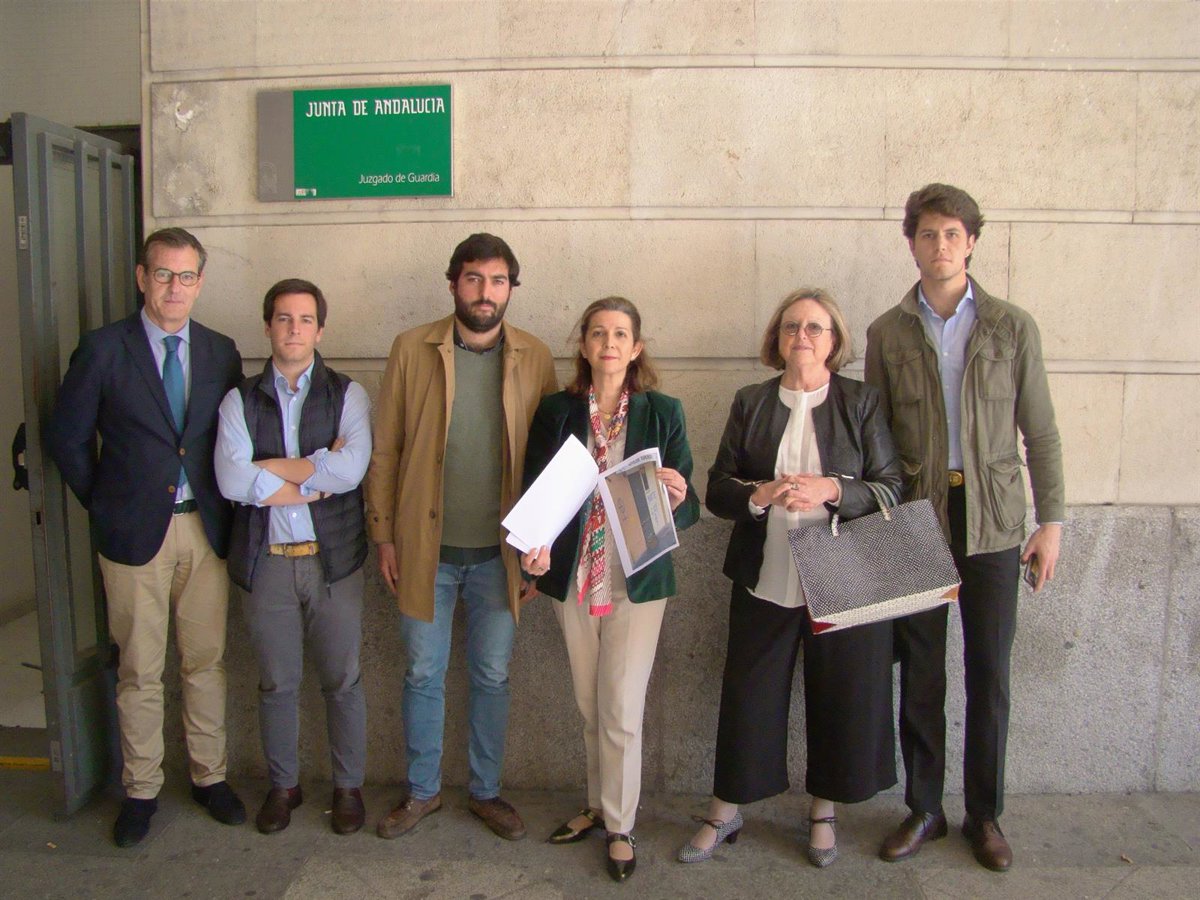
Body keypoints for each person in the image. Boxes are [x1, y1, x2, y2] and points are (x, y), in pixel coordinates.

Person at [865, 184, 1064, 872]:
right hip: (918, 520)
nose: (941, 245)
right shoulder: (887, 333)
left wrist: (1051, 523)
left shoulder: (1012, 327)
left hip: (995, 522)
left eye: (953, 233)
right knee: (921, 672)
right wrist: (879, 523)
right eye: (928, 233)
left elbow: (1041, 432)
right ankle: (925, 807)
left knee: (990, 673)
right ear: (912, 243)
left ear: (972, 241)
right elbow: (875, 438)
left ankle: (986, 815)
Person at [680, 288, 902, 868]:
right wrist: (760, 494)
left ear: (834, 340)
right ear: (776, 339)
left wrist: (833, 489)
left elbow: (891, 487)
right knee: (748, 696)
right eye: (790, 327)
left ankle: (823, 812)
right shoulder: (751, 401)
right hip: (765, 575)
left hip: (843, 577)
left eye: (814, 327)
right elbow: (718, 487)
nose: (801, 336)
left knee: (838, 695)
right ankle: (725, 810)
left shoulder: (860, 401)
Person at [49, 228, 246, 847]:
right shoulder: (104, 348)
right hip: (134, 534)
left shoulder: (220, 351)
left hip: (205, 530)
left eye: (186, 276)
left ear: (200, 283)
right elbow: (68, 438)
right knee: (139, 668)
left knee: (206, 662)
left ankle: (210, 777)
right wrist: (106, 503)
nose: (174, 288)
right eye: (163, 274)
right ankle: (141, 790)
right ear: (142, 278)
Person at [365, 233, 557, 841]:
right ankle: (422, 792)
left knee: (492, 674)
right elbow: (386, 447)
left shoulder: (535, 356)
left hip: (501, 556)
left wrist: (539, 551)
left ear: (511, 289)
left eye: (498, 281)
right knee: (422, 673)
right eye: (474, 278)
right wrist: (384, 536)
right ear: (454, 284)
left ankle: (486, 792)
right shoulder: (411, 349)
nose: (485, 292)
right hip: (425, 552)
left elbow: (551, 463)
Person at [520, 297, 699, 883]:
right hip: (574, 574)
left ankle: (620, 825)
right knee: (589, 703)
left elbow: (689, 505)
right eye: (599, 333)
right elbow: (536, 491)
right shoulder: (557, 411)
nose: (609, 343)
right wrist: (533, 550)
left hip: (637, 578)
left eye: (621, 334)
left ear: (636, 347)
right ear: (584, 345)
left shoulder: (662, 411)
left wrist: (678, 495)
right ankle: (598, 805)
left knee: (621, 706)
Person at [215, 279, 372, 835]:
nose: (294, 329)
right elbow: (231, 480)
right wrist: (314, 471)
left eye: (305, 319)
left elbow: (350, 472)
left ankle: (348, 787)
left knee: (343, 680)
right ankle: (284, 787)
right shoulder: (238, 399)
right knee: (276, 683)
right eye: (283, 318)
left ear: (320, 330)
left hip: (334, 563)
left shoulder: (347, 395)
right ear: (268, 327)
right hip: (267, 562)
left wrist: (267, 470)